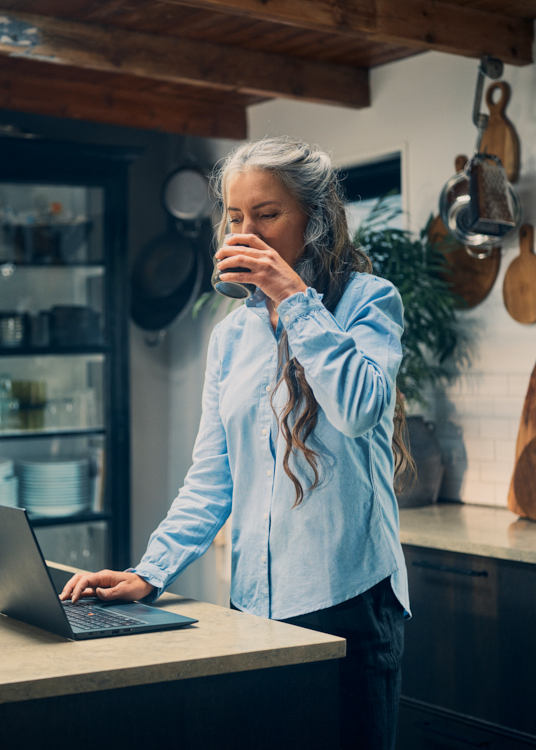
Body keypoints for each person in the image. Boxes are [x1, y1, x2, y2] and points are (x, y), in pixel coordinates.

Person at [61, 136, 412, 750]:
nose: (246, 230)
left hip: (350, 600)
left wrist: (294, 299)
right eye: (235, 216)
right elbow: (211, 479)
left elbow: (357, 410)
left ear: (317, 219)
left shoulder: (368, 302)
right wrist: (151, 573)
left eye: (268, 214)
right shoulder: (229, 339)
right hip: (255, 606)